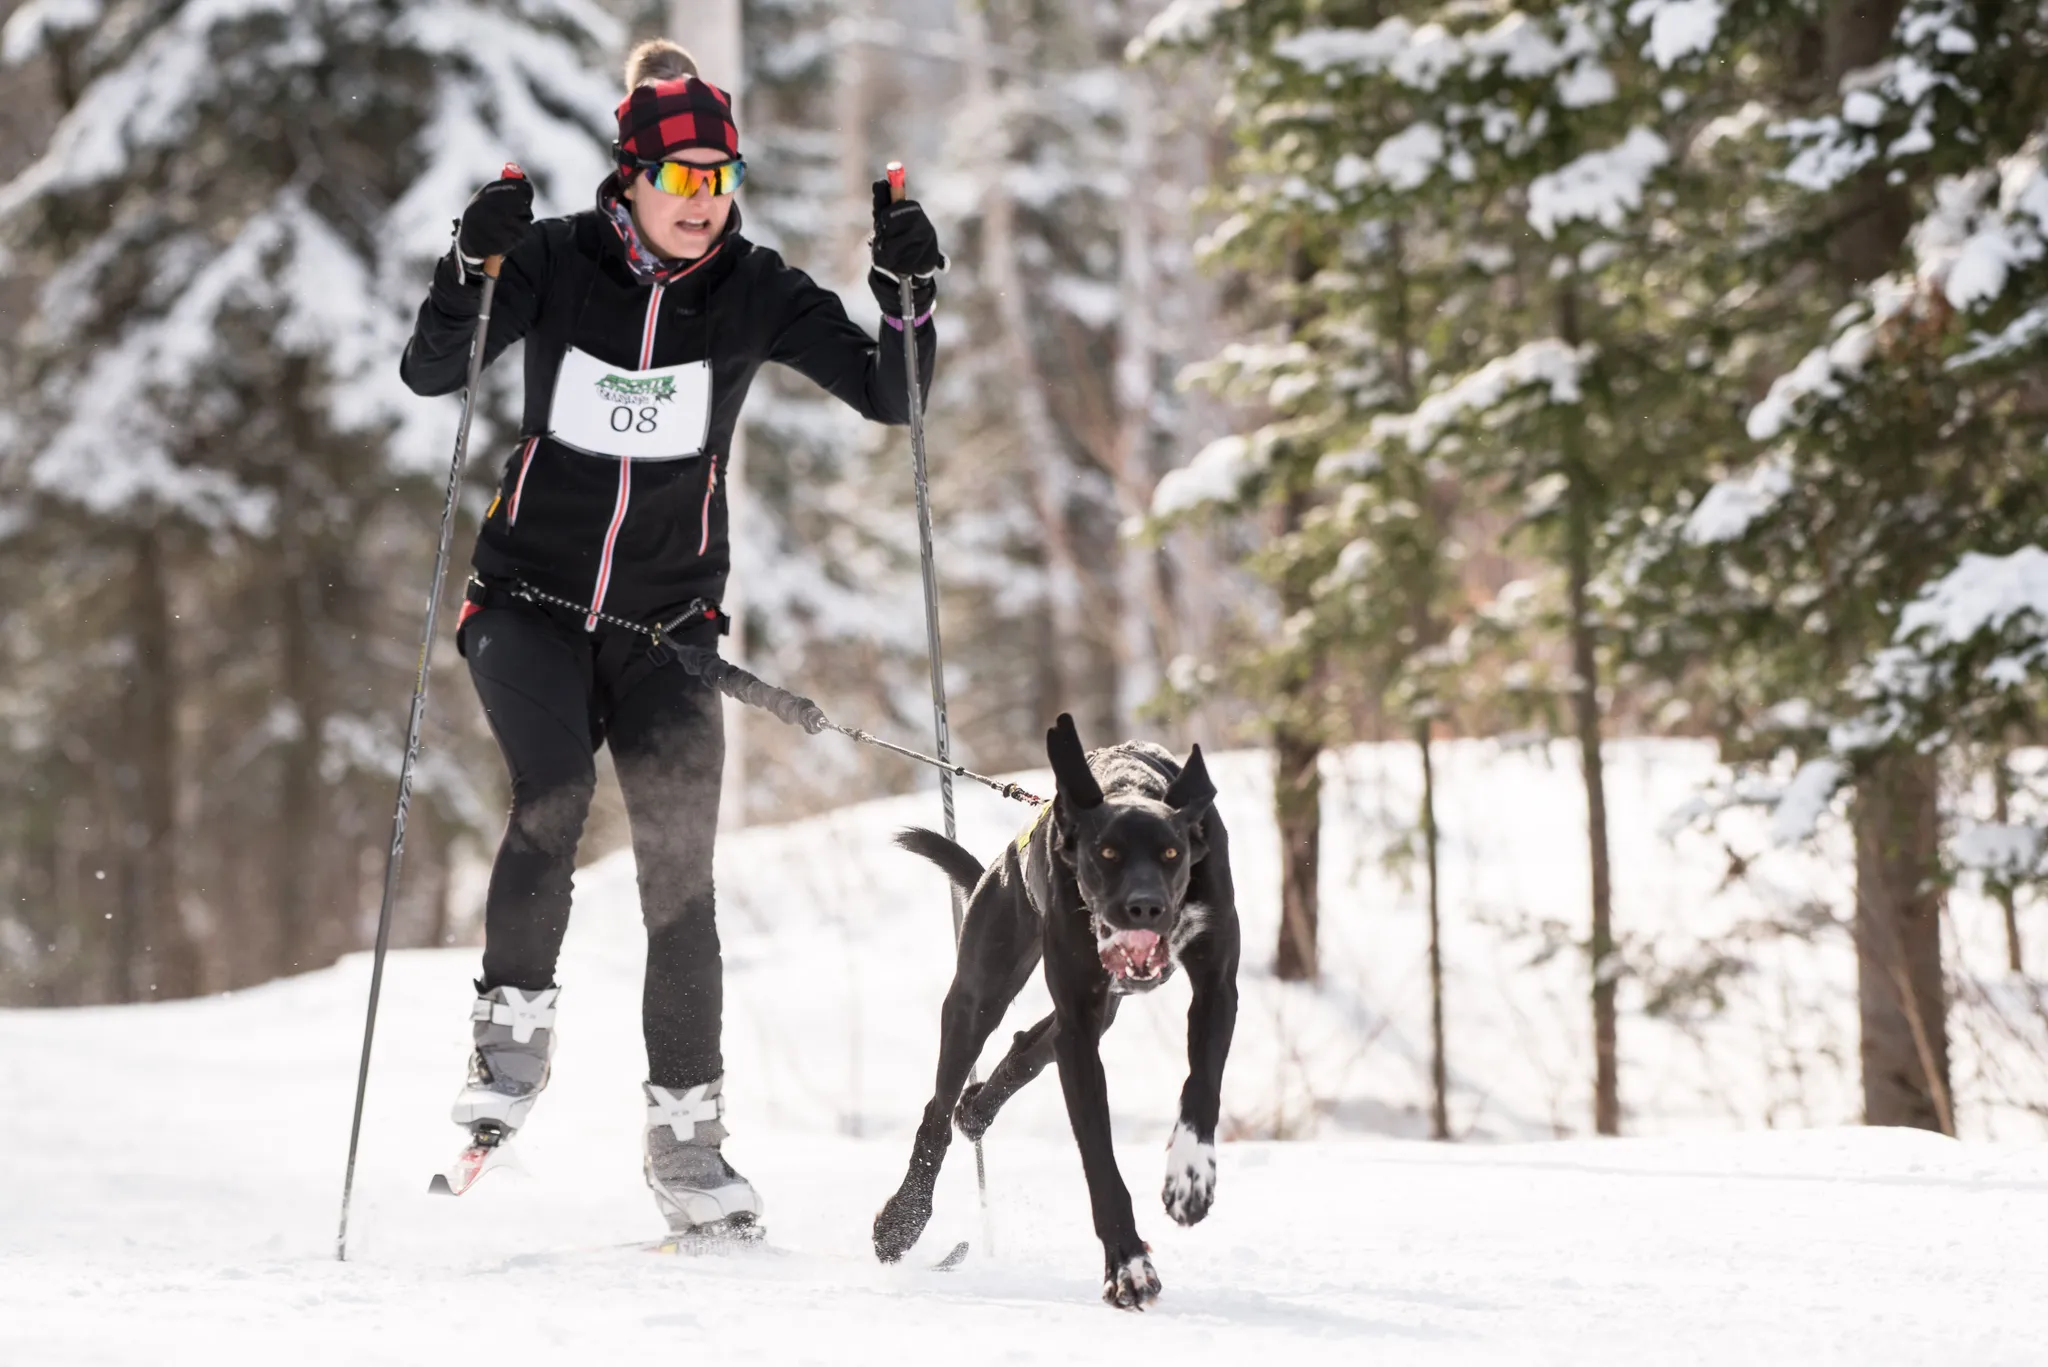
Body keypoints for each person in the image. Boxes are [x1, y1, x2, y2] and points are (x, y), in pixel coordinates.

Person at [398, 37, 944, 1240]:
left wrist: (907, 297)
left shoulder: (751, 289)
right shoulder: (551, 262)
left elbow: (891, 397)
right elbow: (432, 370)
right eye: (683, 180)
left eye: (723, 179)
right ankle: (510, 1040)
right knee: (550, 789)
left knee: (678, 881)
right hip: (528, 605)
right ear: (631, 176)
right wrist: (470, 261)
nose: (705, 205)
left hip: (670, 631)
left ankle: (688, 1148)